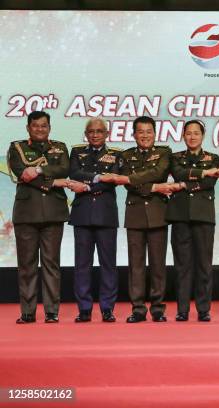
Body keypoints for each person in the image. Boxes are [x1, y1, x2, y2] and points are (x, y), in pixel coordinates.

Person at [7, 111, 71, 323]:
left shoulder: (60, 146)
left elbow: (63, 168)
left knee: (51, 263)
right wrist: (51, 182)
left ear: (49, 128)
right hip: (27, 214)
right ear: (28, 127)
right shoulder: (16, 147)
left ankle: (52, 312)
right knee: (27, 265)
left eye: (44, 126)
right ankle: (28, 312)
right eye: (35, 126)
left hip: (53, 212)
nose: (40, 129)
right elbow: (20, 174)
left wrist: (38, 168)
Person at [108, 116, 173, 323]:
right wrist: (154, 186)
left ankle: (157, 308)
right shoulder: (126, 156)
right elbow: (127, 183)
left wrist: (133, 179)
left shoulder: (164, 152)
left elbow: (159, 171)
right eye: (140, 132)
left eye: (149, 132)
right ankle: (137, 308)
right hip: (134, 214)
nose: (145, 136)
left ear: (155, 133)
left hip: (158, 214)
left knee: (157, 264)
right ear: (134, 134)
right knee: (135, 264)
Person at [165, 120, 219, 322]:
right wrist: (196, 176)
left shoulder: (213, 157)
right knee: (182, 265)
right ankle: (182, 310)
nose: (192, 137)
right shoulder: (175, 157)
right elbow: (178, 173)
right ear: (183, 136)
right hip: (180, 215)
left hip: (203, 215)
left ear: (203, 135)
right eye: (188, 133)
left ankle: (203, 309)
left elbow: (209, 182)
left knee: (203, 264)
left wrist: (183, 185)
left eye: (196, 133)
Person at [68, 118, 122, 323]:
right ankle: (84, 309)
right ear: (86, 133)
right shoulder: (76, 152)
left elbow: (114, 179)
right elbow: (74, 173)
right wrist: (99, 177)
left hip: (106, 214)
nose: (95, 134)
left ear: (106, 134)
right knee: (82, 264)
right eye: (91, 131)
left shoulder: (116, 154)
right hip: (82, 214)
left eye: (99, 131)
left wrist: (89, 185)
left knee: (108, 264)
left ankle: (107, 308)